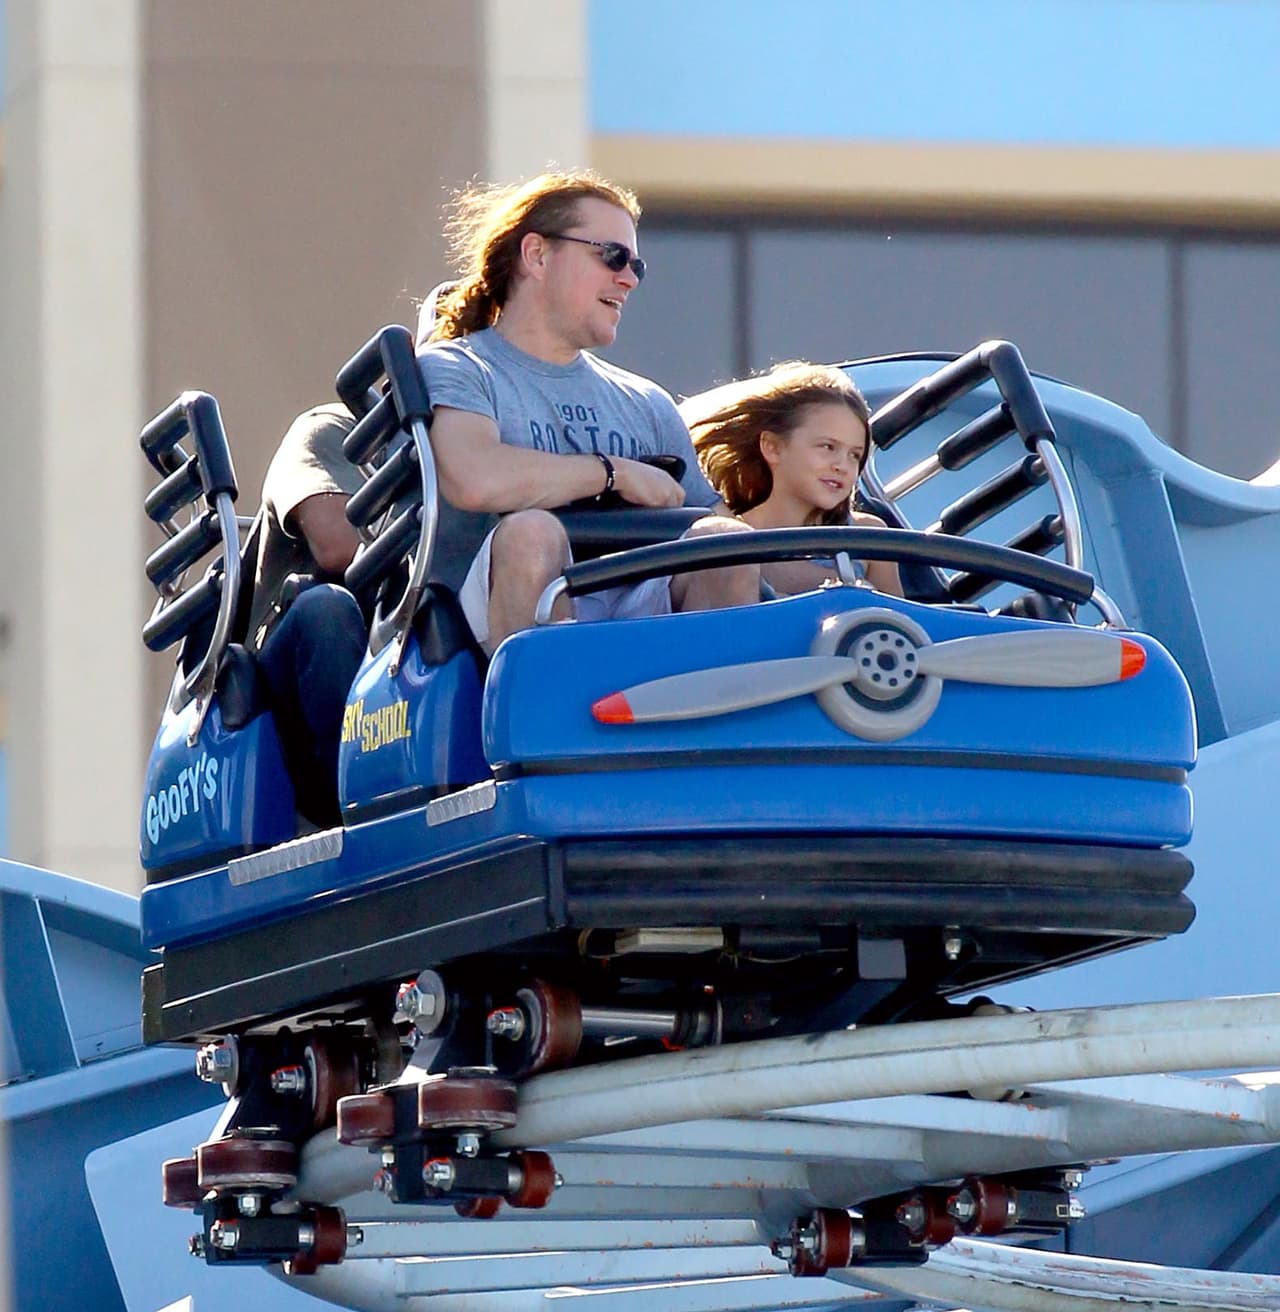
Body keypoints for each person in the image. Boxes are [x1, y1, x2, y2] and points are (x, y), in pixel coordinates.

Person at [416, 170, 756, 651]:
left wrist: (848, 559)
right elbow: (475, 479)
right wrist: (614, 473)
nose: (628, 279)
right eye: (612, 256)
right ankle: (544, 697)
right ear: (537, 255)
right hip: (482, 629)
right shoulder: (460, 366)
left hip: (640, 615)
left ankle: (696, 701)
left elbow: (731, 539)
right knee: (532, 533)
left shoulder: (647, 402)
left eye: (637, 267)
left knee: (722, 540)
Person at [683, 361, 903, 598]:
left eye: (854, 455)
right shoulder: (724, 540)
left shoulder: (869, 538)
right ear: (772, 447)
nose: (842, 466)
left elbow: (902, 618)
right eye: (828, 447)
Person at [245, 402, 367, 827]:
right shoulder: (330, 429)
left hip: (394, 671)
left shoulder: (475, 440)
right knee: (327, 609)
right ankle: (354, 798)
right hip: (288, 690)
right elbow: (338, 545)